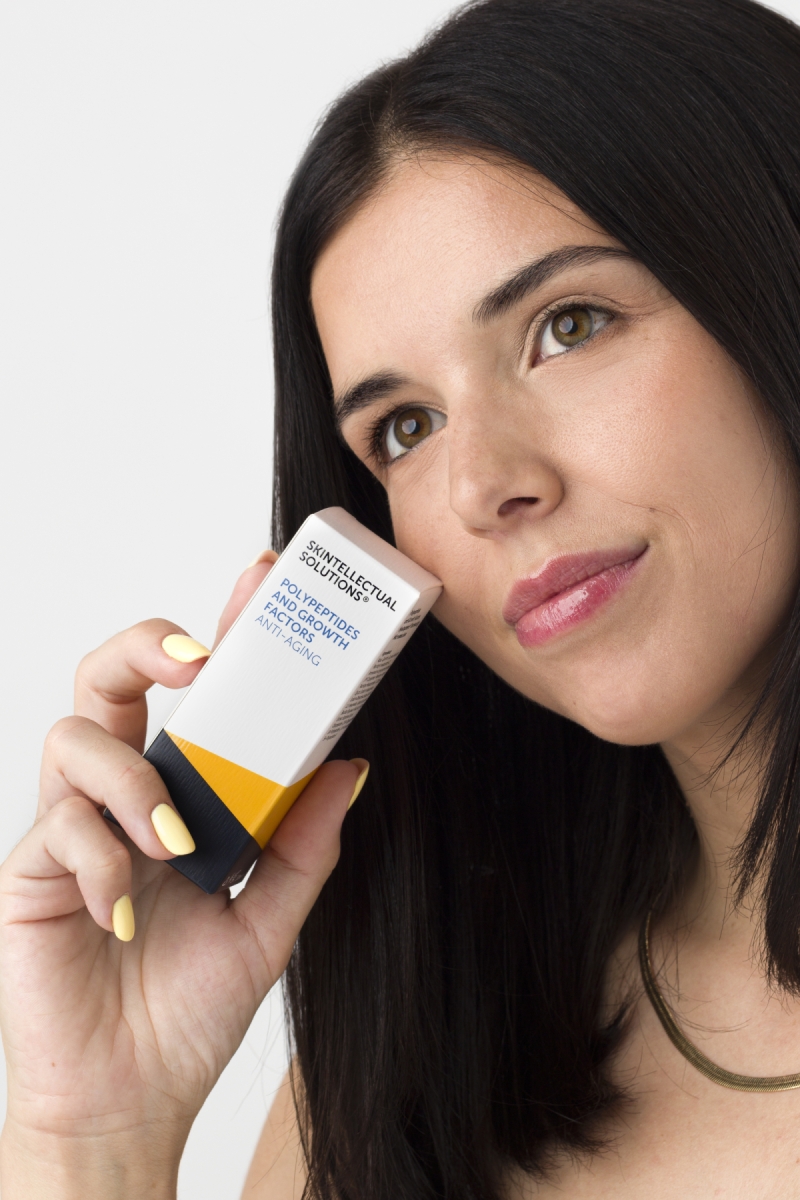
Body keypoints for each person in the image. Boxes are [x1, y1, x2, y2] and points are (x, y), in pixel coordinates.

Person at [3, 0, 800, 1194]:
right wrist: (90, 1138)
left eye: (567, 326)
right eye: (405, 429)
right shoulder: (405, 1085)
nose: (480, 488)